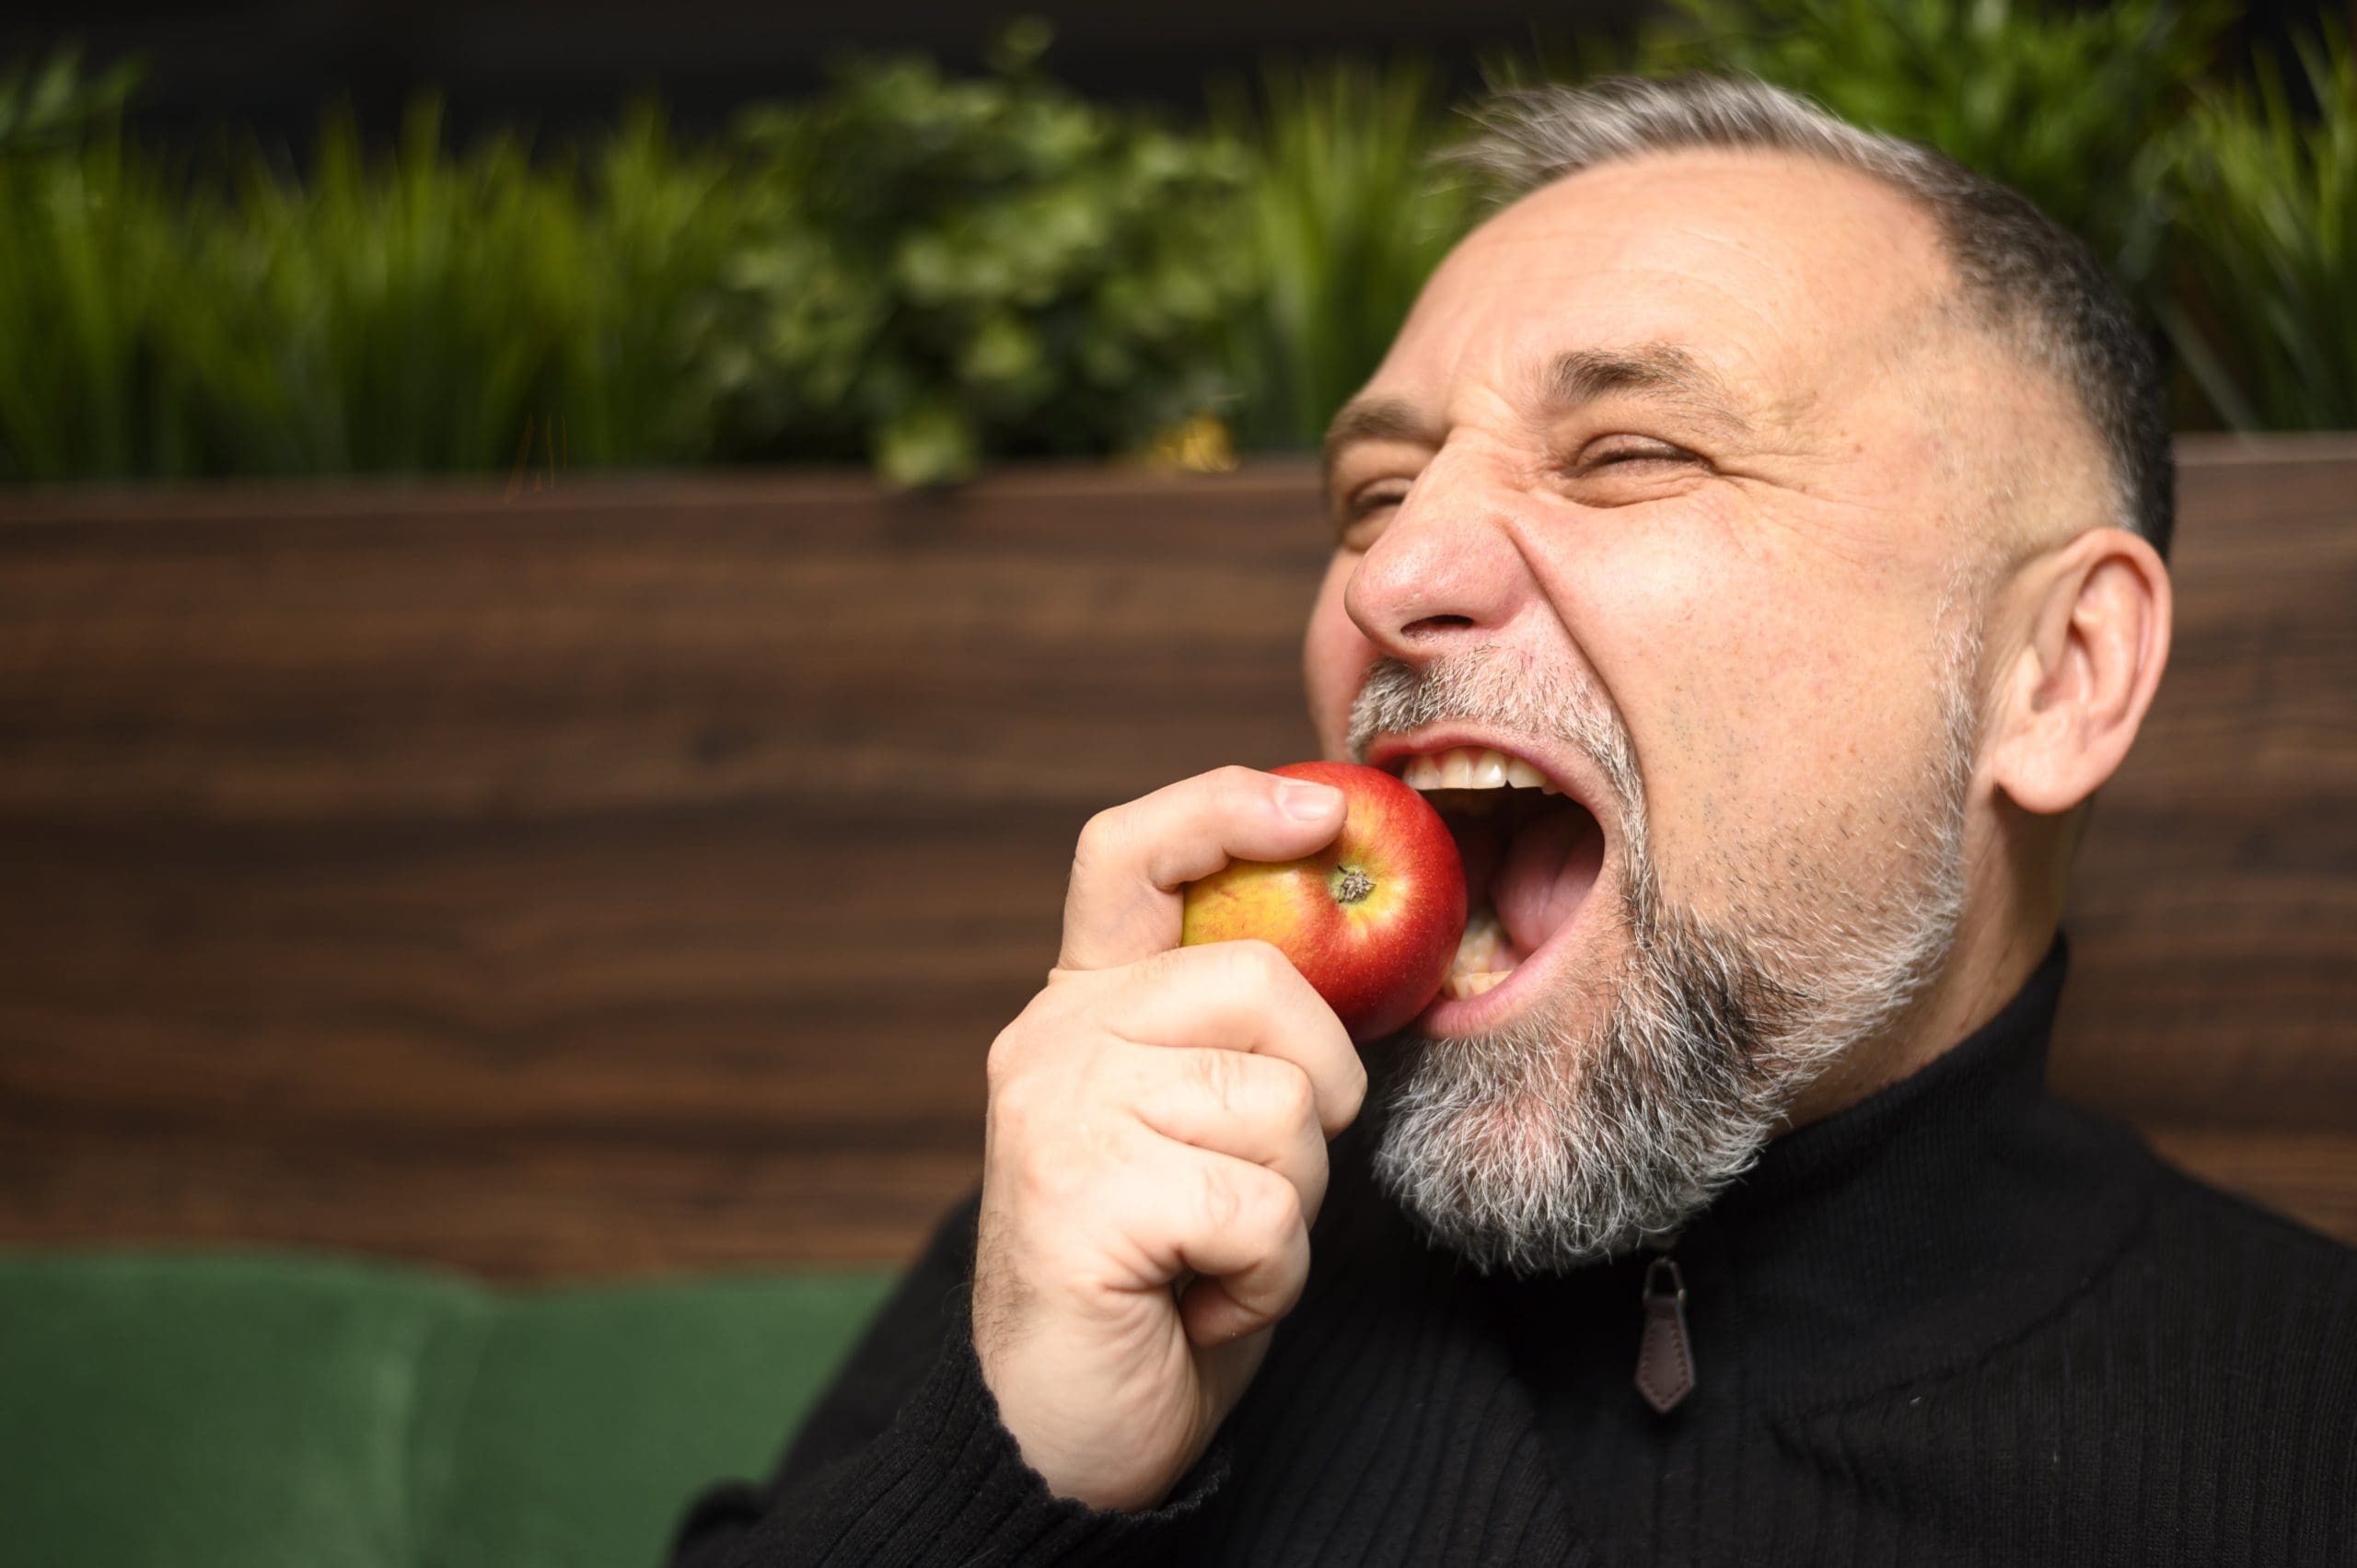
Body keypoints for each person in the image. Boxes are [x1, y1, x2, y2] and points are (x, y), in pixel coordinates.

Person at [669, 75, 2356, 1566]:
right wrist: (1022, 1480)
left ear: (2057, 674)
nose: (1393, 579)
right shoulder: (1127, 1224)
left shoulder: (2302, 1438)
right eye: (1377, 496)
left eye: (1629, 452)